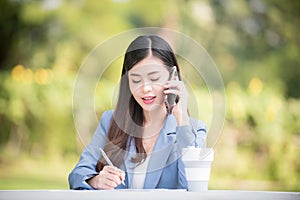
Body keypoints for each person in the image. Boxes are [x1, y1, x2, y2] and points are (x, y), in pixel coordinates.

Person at [68, 35, 207, 190]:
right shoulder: (110, 121)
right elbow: (77, 175)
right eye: (136, 80)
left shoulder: (193, 130)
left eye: (154, 78)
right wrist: (95, 180)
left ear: (172, 77)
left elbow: (192, 189)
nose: (145, 88)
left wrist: (183, 121)